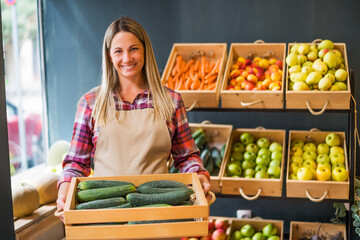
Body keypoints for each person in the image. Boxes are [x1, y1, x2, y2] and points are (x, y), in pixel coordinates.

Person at [56, 16, 211, 222]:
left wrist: (199, 176)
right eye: (118, 51)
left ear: (145, 51)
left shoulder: (170, 101)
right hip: (105, 216)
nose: (127, 58)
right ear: (109, 56)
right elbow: (76, 163)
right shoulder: (90, 103)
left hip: (159, 214)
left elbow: (186, 157)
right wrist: (64, 192)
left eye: (134, 49)